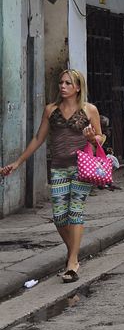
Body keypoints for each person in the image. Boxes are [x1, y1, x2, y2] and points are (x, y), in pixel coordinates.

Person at [1, 69, 104, 282]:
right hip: (58, 167)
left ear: (77, 87)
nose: (62, 86)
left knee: (75, 212)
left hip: (82, 167)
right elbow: (38, 138)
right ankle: (73, 253)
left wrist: (93, 138)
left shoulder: (89, 110)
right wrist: (17, 162)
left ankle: (72, 262)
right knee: (59, 216)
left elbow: (100, 138)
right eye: (61, 82)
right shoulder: (51, 110)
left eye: (68, 83)